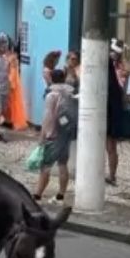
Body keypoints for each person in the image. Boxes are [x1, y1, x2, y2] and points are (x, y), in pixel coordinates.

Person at [33, 69, 76, 203]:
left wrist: (43, 135)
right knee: (63, 164)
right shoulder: (70, 93)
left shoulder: (51, 95)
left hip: (53, 134)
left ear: (51, 78)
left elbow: (48, 116)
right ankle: (60, 195)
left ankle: (37, 195)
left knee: (45, 165)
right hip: (66, 133)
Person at [106, 39, 128, 186]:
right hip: (113, 115)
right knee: (111, 147)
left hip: (108, 115)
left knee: (110, 147)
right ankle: (112, 175)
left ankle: (111, 175)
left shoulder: (110, 79)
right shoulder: (115, 85)